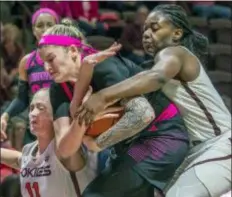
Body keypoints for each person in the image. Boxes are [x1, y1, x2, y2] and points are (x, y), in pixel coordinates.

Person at [76, 4, 231, 197]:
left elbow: (156, 77)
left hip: (221, 142)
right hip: (198, 150)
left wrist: (103, 96)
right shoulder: (155, 65)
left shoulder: (176, 52)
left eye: (155, 27)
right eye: (145, 29)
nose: (147, 33)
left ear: (176, 33)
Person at [38, 23, 189, 196]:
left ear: (73, 50)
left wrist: (96, 144)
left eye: (50, 59)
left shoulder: (104, 67)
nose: (46, 68)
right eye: (43, 62)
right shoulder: (58, 88)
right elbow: (65, 149)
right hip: (128, 145)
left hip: (162, 135)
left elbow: (143, 114)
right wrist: (83, 117)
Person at [0, 88, 120, 196]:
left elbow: (74, 134)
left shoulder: (67, 149)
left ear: (57, 115)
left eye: (41, 108)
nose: (33, 113)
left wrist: (86, 110)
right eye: (31, 108)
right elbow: (18, 160)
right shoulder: (29, 150)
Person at [0, 8, 59, 144]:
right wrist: (5, 116)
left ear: (57, 28)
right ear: (33, 30)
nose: (45, 29)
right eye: (40, 25)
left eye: (50, 25)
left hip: (61, 126)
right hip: (36, 127)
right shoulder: (26, 62)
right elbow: (22, 99)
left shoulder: (66, 58)